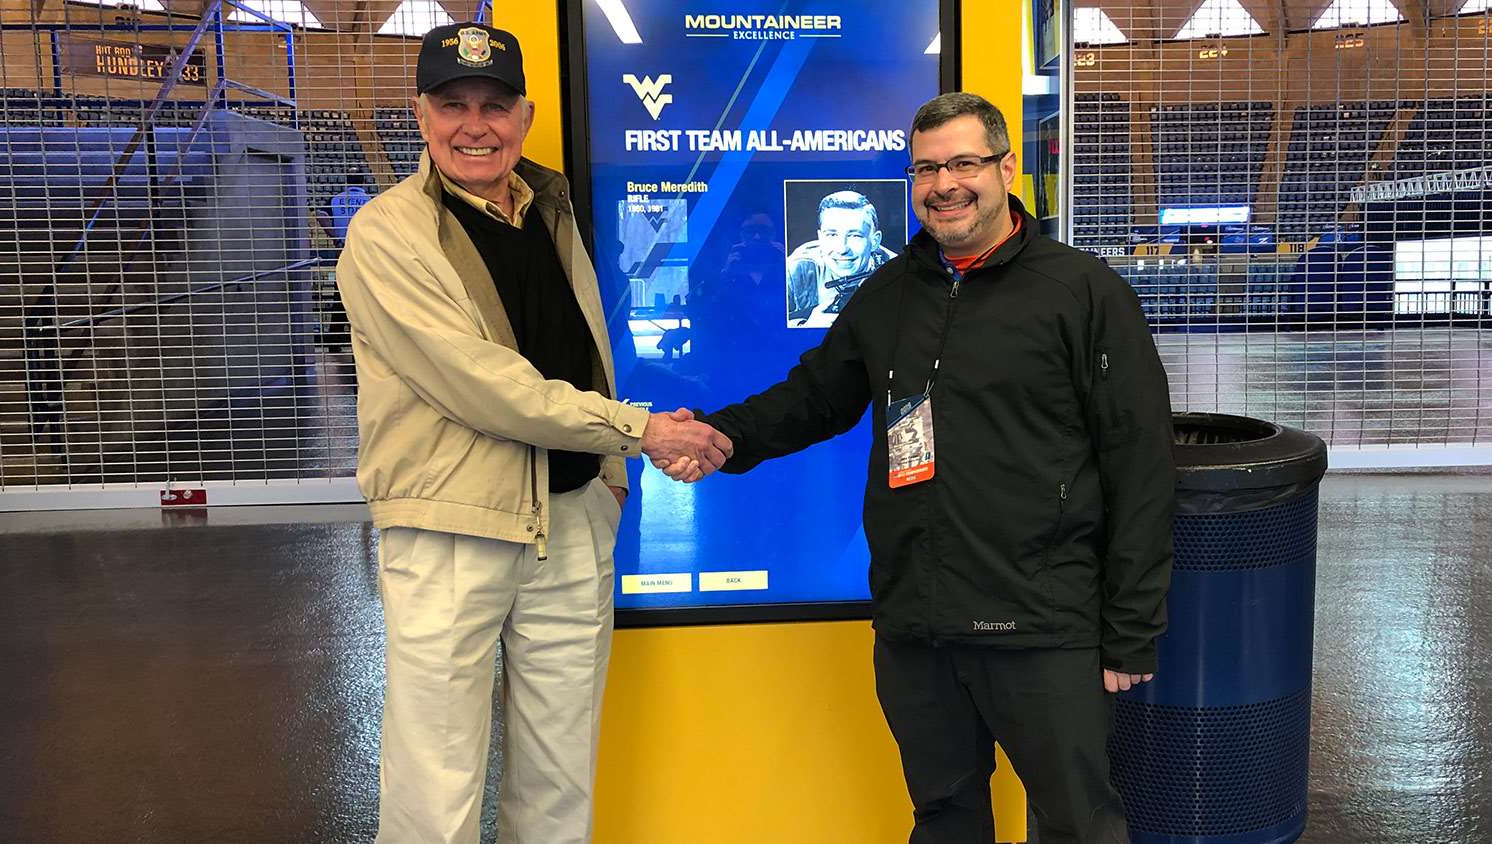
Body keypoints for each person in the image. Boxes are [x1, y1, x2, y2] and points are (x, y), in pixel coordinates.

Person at [669, 92, 1175, 842]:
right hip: (919, 625)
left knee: (1079, 823)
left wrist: (1132, 628)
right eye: (927, 168)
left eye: (965, 163)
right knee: (943, 817)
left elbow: (1140, 464)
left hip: (1041, 623)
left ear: (1007, 168)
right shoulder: (889, 295)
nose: (945, 184)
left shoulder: (1084, 293)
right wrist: (718, 436)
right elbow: (813, 398)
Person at [333, 23, 731, 844]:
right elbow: (483, 384)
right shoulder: (386, 233)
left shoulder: (548, 209)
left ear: (525, 113)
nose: (474, 125)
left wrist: (609, 482)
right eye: (453, 106)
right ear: (420, 115)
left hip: (571, 522)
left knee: (559, 776)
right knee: (433, 786)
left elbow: (582, 346)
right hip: (452, 531)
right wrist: (637, 434)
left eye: (493, 105)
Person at [785, 190, 896, 327]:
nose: (842, 249)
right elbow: (767, 327)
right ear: (820, 238)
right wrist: (806, 327)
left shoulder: (897, 273)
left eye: (855, 235)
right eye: (832, 235)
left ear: (875, 241)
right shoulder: (795, 271)